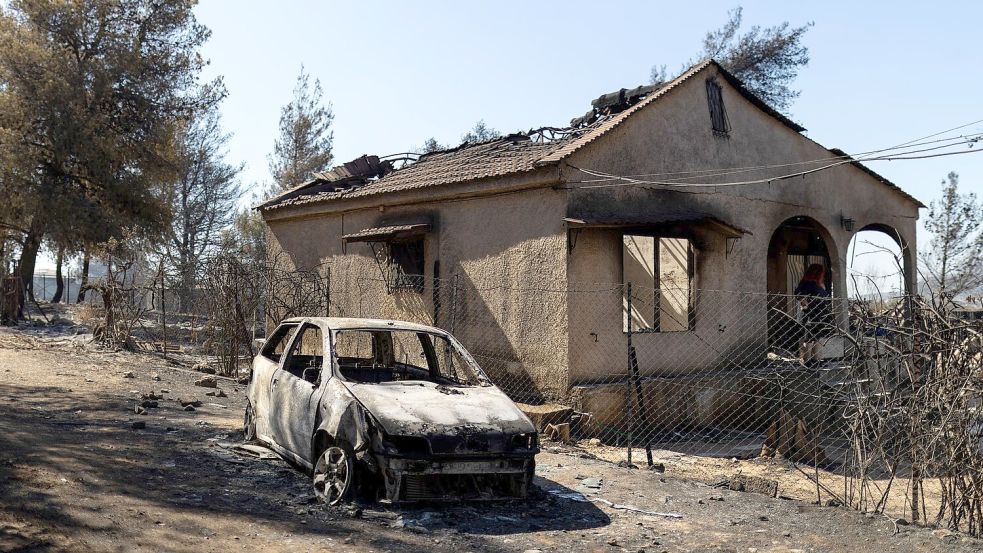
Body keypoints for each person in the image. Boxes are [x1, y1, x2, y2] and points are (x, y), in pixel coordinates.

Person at [795, 264, 833, 365]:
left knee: (817, 338)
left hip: (821, 315)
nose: (823, 275)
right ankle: (807, 360)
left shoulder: (819, 284)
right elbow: (798, 293)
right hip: (811, 315)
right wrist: (805, 304)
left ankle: (816, 360)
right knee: (809, 338)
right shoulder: (807, 283)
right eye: (821, 273)